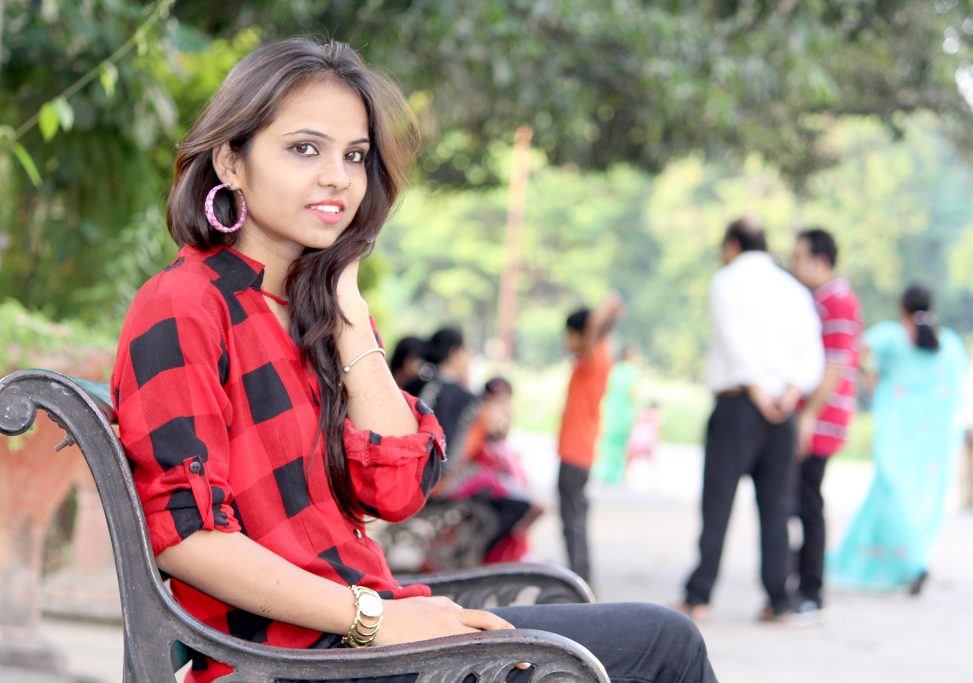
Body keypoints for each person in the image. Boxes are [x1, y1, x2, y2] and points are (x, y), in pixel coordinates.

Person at [110, 38, 716, 683]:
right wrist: (376, 619)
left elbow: (396, 492)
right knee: (663, 645)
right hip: (291, 662)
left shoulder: (319, 314)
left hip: (364, 637)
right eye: (305, 148)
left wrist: (347, 307)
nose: (338, 177)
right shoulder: (184, 304)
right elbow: (188, 539)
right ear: (232, 160)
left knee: (659, 641)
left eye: (355, 155)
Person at [681, 216, 823, 622]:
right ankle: (778, 600)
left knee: (718, 503)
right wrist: (790, 394)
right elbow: (810, 351)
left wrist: (757, 391)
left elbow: (732, 337)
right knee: (777, 508)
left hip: (739, 404)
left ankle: (699, 595)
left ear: (732, 245)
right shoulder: (794, 289)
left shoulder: (727, 281)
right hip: (784, 408)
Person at [829, 285, 966, 595]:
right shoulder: (949, 343)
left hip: (895, 430)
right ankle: (915, 561)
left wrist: (869, 376)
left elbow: (854, 350)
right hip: (930, 436)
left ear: (902, 308)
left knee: (895, 495)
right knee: (916, 498)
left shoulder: (891, 335)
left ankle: (914, 562)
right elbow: (956, 391)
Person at [787, 227, 863, 620]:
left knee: (808, 505)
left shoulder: (837, 301)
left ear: (820, 261)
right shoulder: (822, 299)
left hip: (819, 421)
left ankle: (811, 591)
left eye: (798, 257)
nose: (792, 264)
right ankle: (797, 581)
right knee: (796, 502)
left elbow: (835, 365)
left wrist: (809, 415)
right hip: (814, 417)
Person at [556, 293, 625, 584]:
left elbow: (599, 324)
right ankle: (582, 577)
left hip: (576, 452)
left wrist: (606, 307)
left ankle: (579, 579)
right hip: (580, 451)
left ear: (578, 334)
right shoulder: (595, 356)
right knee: (576, 518)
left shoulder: (593, 356)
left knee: (572, 522)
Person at [446, 376, 540, 563]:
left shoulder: (493, 431)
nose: (501, 407)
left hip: (482, 480)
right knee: (520, 505)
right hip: (468, 480)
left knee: (523, 503)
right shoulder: (480, 417)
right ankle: (486, 555)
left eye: (505, 401)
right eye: (496, 401)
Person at [417, 326, 478, 473]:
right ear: (455, 352)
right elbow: (456, 454)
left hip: (408, 467)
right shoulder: (464, 398)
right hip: (437, 476)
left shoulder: (413, 383)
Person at [593, 347, 640, 485]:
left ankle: (601, 472)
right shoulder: (632, 372)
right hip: (623, 416)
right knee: (619, 446)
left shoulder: (613, 371)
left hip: (609, 413)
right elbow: (633, 393)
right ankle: (614, 476)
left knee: (606, 444)